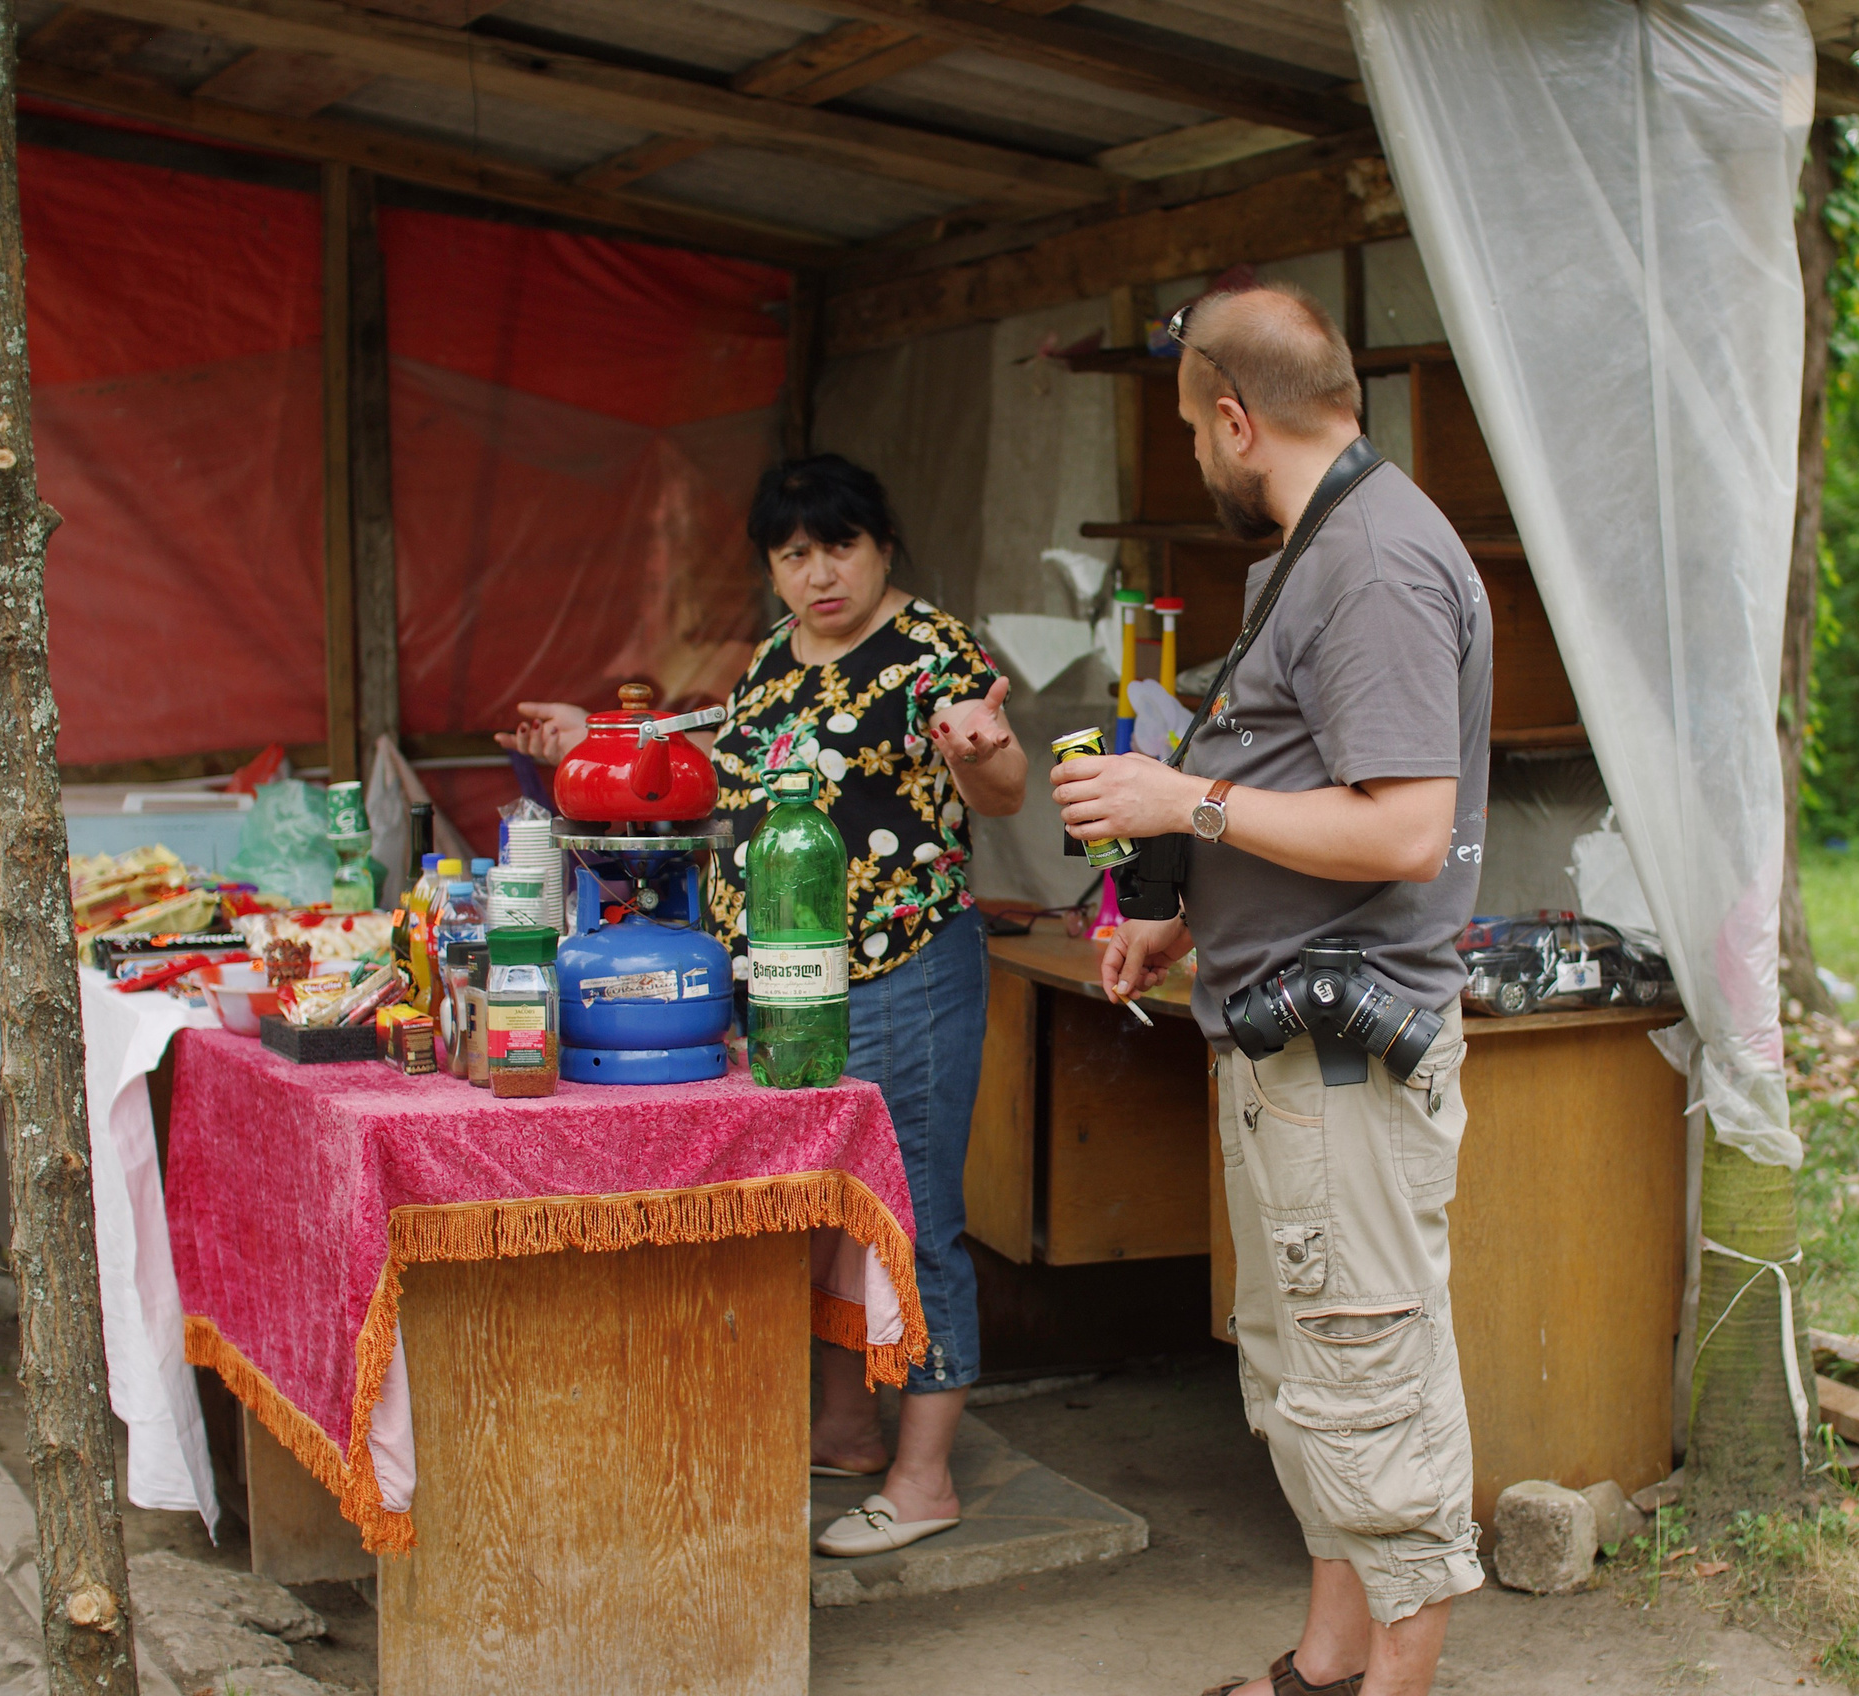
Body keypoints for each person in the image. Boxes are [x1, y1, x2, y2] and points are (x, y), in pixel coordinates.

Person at [1049, 282, 1492, 1696]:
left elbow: (1405, 828)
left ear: (1237, 419)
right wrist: (1186, 925)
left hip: (1347, 1059)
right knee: (1310, 1380)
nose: (1197, 457)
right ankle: (1323, 1669)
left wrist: (1186, 800)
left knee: (1371, 1375)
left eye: (1192, 431)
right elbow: (1316, 795)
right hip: (1286, 1043)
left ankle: (1396, 1687)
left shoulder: (1371, 561)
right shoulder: (1315, 551)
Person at [499, 453, 1023, 1558]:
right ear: (772, 570)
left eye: (840, 546)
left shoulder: (933, 650)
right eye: (795, 555)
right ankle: (845, 1429)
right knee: (826, 1211)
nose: (820, 573)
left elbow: (996, 780)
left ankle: (925, 1478)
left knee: (914, 1214)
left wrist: (982, 755)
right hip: (785, 984)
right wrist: (590, 735)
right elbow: (711, 753)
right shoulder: (777, 658)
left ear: (881, 547)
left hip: (900, 965)